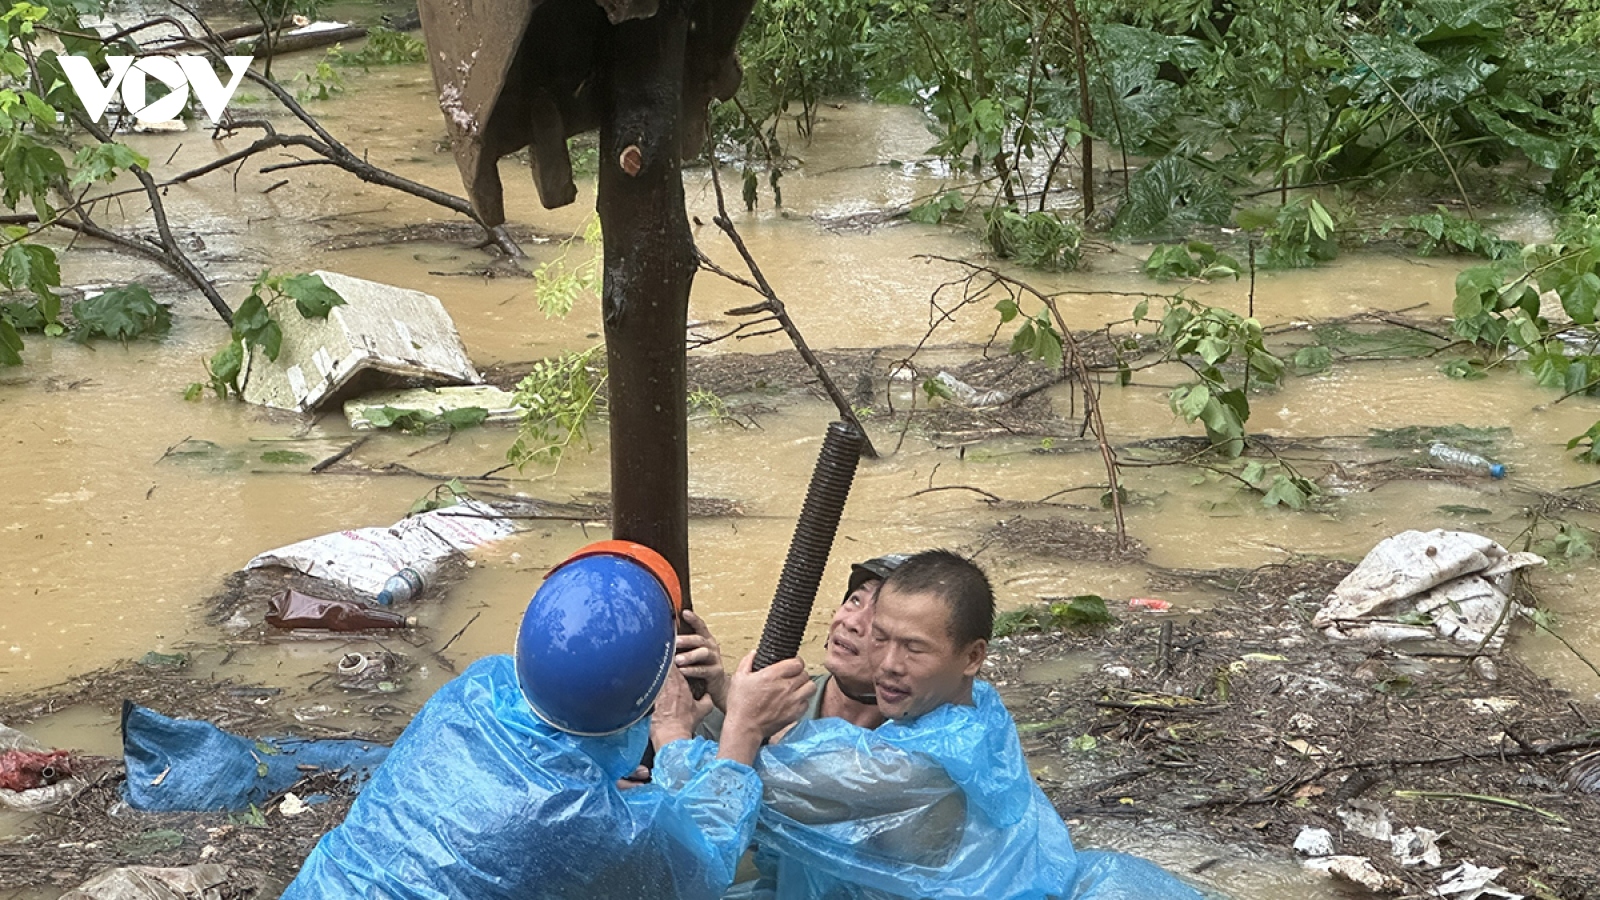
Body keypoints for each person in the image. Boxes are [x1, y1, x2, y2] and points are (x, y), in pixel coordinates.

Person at [280, 539, 816, 900]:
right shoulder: (599, 826)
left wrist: (597, 784)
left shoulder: (475, 690)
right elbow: (704, 867)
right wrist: (737, 730)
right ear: (652, 692)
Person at [751, 549, 1206, 900]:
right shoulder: (977, 707)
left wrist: (713, 720)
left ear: (973, 656)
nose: (888, 665)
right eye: (882, 638)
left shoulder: (911, 768)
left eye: (914, 648)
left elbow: (734, 795)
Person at [679, 554, 907, 739]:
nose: (851, 622)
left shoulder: (920, 741)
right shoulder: (779, 696)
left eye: (879, 615)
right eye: (855, 600)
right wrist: (721, 691)